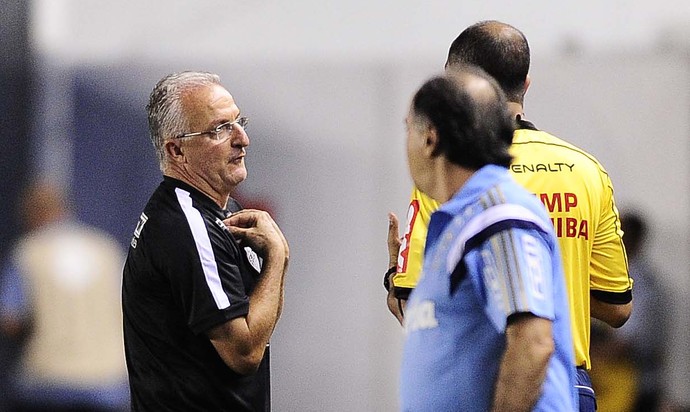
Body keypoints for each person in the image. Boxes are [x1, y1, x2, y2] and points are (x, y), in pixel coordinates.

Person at [385, 20, 633, 411]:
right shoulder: (584, 170)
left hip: (510, 387)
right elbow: (615, 304)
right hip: (558, 381)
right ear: (525, 84)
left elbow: (532, 342)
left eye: (410, 131)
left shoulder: (493, 211)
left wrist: (394, 279)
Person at [399, 65, 577, 411]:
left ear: (429, 138)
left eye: (408, 128)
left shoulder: (499, 215)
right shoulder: (464, 222)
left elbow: (533, 342)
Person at [122, 71, 289, 411]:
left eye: (238, 121)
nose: (242, 138)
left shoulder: (217, 214)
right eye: (219, 129)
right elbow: (244, 353)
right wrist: (278, 258)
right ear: (177, 151)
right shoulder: (188, 226)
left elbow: (255, 328)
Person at [0, 180, 129, 412]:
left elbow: (11, 320)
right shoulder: (107, 250)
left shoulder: (27, 252)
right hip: (107, 383)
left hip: (45, 383)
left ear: (31, 215)